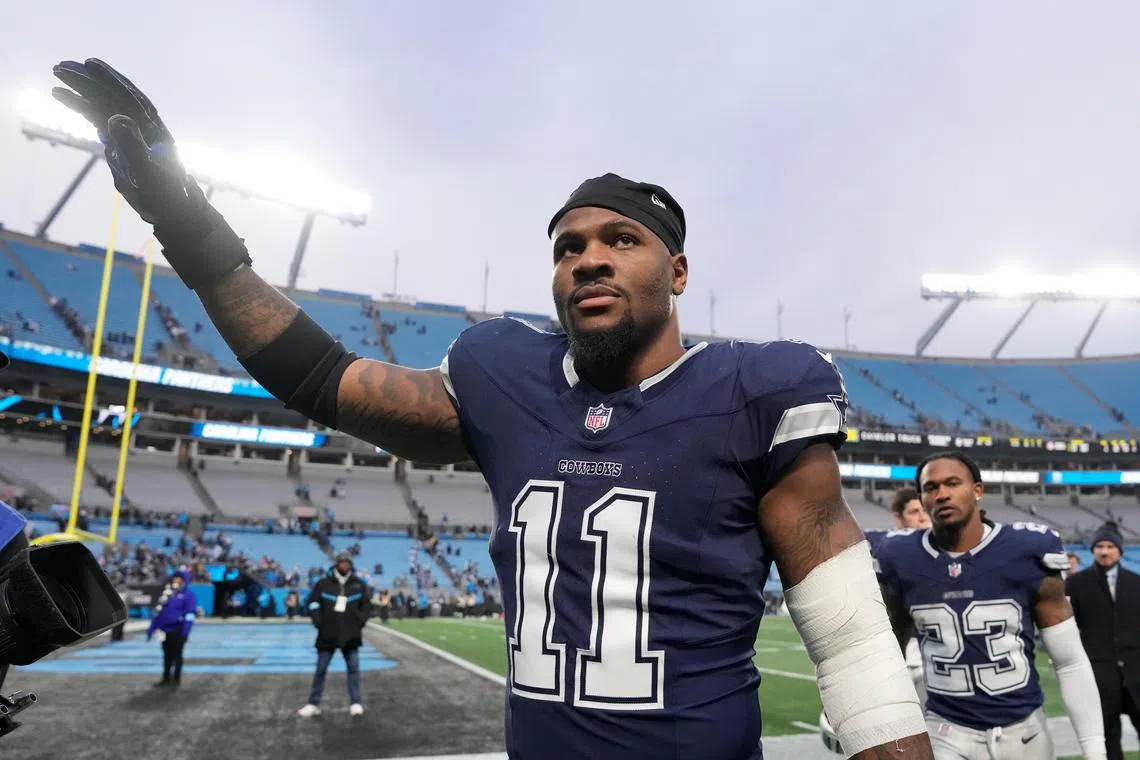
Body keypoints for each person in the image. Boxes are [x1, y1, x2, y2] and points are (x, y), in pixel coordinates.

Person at [52, 59, 932, 759]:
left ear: (679, 272)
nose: (588, 260)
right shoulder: (507, 375)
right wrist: (186, 220)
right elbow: (320, 377)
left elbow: (852, 644)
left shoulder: (757, 389)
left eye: (621, 240)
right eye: (569, 247)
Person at [874, 451, 1105, 760]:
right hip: (946, 730)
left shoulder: (1026, 551)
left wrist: (1094, 750)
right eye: (931, 488)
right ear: (922, 498)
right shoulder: (900, 557)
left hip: (1024, 732)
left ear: (978, 490)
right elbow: (889, 654)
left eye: (953, 483)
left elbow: (1070, 661)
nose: (942, 494)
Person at [1066, 522, 1140, 760]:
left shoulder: (1136, 583)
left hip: (1136, 673)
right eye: (1099, 546)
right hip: (1099, 676)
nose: (1105, 551)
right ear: (1093, 549)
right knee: (1109, 738)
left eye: (1110, 546)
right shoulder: (1076, 584)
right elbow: (1068, 628)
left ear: (1120, 550)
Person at [298, 553, 372, 717]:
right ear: (337, 564)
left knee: (353, 669)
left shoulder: (359, 585)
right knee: (320, 669)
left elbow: (366, 606)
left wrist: (359, 622)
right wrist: (319, 622)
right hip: (327, 634)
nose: (345, 565)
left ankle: (355, 702)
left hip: (351, 635)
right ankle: (313, 703)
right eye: (342, 562)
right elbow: (313, 603)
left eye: (348, 563)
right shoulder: (323, 584)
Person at [147, 570, 196, 688]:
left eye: (179, 579)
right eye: (175, 578)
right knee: (166, 655)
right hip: (164, 630)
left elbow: (190, 614)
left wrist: (185, 631)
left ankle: (176, 678)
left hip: (177, 629)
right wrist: (152, 629)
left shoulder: (188, 595)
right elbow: (157, 613)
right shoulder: (166, 595)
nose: (176, 581)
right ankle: (166, 678)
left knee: (177, 655)